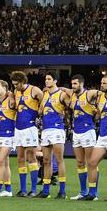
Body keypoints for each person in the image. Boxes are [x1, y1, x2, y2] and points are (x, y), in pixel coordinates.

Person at [36, 71, 70, 199]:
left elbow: (71, 105)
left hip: (57, 129)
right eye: (46, 79)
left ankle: (62, 191)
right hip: (45, 130)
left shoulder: (61, 94)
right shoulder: (45, 95)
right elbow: (40, 111)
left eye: (49, 79)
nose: (46, 81)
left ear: (55, 81)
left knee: (59, 160)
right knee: (46, 161)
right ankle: (46, 191)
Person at [10, 70, 43, 197]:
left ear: (23, 82)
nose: (15, 87)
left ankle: (33, 189)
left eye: (16, 84)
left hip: (30, 128)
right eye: (13, 85)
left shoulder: (35, 90)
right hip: (18, 128)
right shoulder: (15, 92)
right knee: (20, 158)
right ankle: (23, 189)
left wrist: (39, 113)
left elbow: (44, 101)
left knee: (31, 157)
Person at [68, 74, 99, 200]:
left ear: (81, 84)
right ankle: (83, 192)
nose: (73, 86)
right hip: (77, 132)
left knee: (92, 163)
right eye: (72, 84)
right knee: (80, 163)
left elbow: (102, 94)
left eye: (75, 84)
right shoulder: (73, 96)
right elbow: (63, 90)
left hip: (88, 131)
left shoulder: (89, 93)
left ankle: (94, 193)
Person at [0, 79, 15, 197]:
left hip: (9, 134)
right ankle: (8, 189)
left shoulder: (11, 100)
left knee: (1, 161)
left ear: (5, 89)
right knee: (5, 163)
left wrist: (11, 94)